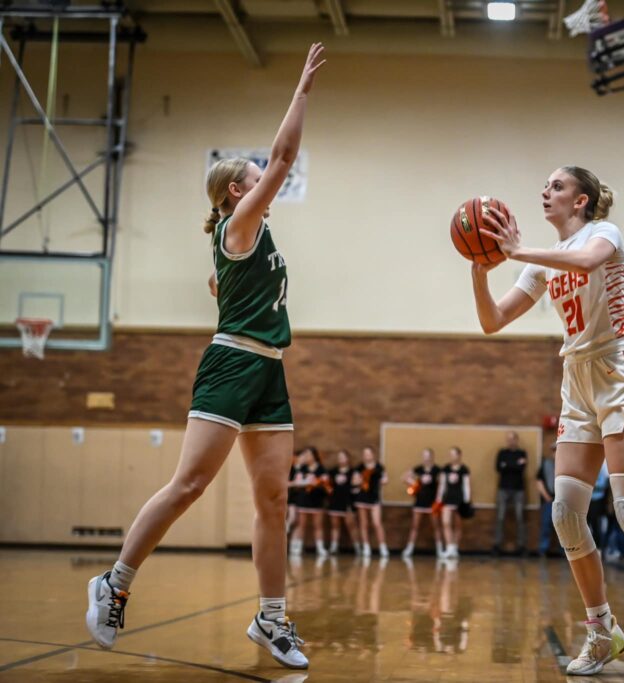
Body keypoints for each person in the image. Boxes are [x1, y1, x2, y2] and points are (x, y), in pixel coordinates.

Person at [83, 44, 325, 670]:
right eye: (252, 175)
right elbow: (287, 157)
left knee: (273, 499)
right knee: (189, 484)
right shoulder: (238, 225)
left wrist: (222, 289)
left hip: (269, 367)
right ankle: (114, 582)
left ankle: (270, 619)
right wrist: (300, 89)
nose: (263, 179)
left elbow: (229, 286)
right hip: (231, 365)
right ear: (235, 192)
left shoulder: (250, 236)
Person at [472, 166, 624, 678]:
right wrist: (479, 267)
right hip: (576, 381)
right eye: (545, 185)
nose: (545, 191)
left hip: (618, 369)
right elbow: (492, 321)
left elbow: (584, 262)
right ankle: (603, 633)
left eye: (556, 186)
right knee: (565, 513)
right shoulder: (539, 263)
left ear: (580, 200)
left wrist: (517, 251)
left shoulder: (602, 234)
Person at [402, 448, 444, 558]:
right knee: (415, 526)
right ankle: (409, 548)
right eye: (424, 456)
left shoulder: (437, 470)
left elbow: (442, 485)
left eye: (428, 456)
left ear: (432, 457)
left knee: (436, 526)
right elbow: (405, 477)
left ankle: (440, 549)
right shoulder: (418, 469)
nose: (426, 458)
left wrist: (439, 500)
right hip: (419, 501)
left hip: (432, 502)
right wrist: (414, 483)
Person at [290, 446, 330, 557]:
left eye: (308, 454)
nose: (306, 457)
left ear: (314, 456)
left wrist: (319, 483)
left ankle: (320, 548)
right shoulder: (302, 469)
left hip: (317, 501)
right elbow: (297, 483)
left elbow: (326, 485)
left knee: (318, 525)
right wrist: (305, 482)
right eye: (305, 455)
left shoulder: (322, 469)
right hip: (303, 500)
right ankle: (298, 546)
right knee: (301, 524)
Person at [493, 432, 528, 555]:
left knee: (520, 517)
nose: (510, 441)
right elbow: (498, 468)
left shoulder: (522, 453)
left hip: (518, 489)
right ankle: (497, 545)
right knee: (500, 517)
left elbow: (521, 469)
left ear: (516, 440)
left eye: (513, 439)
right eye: (508, 439)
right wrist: (515, 464)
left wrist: (507, 465)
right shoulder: (502, 453)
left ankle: (521, 546)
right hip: (503, 488)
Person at [353, 446, 389, 558]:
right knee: (363, 523)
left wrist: (384, 480)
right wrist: (359, 480)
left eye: (369, 453)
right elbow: (354, 481)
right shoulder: (359, 467)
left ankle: (383, 547)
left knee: (377, 523)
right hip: (362, 498)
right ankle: (366, 547)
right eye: (365, 454)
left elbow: (385, 479)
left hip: (374, 498)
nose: (367, 456)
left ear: (373, 454)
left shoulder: (379, 467)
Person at [437, 446, 471, 559]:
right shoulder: (446, 468)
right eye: (450, 454)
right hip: (447, 499)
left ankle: (455, 547)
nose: (452, 457)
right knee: (446, 522)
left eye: (454, 454)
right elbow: (442, 485)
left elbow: (466, 485)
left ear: (459, 455)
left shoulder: (464, 469)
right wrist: (439, 498)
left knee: (458, 525)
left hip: (459, 499)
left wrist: (467, 500)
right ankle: (449, 546)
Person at [327, 449, 360, 555]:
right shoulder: (332, 472)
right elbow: (328, 486)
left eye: (343, 456)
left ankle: (358, 547)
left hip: (348, 503)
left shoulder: (353, 472)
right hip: (335, 501)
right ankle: (334, 547)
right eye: (339, 457)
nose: (340, 459)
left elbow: (356, 487)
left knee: (351, 526)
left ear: (348, 458)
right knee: (335, 526)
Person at [536, 443, 558, 556]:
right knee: (546, 524)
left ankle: (564, 551)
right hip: (548, 499)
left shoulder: (568, 465)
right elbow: (539, 481)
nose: (556, 453)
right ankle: (543, 549)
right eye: (554, 450)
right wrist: (546, 496)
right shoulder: (545, 464)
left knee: (563, 526)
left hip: (562, 501)